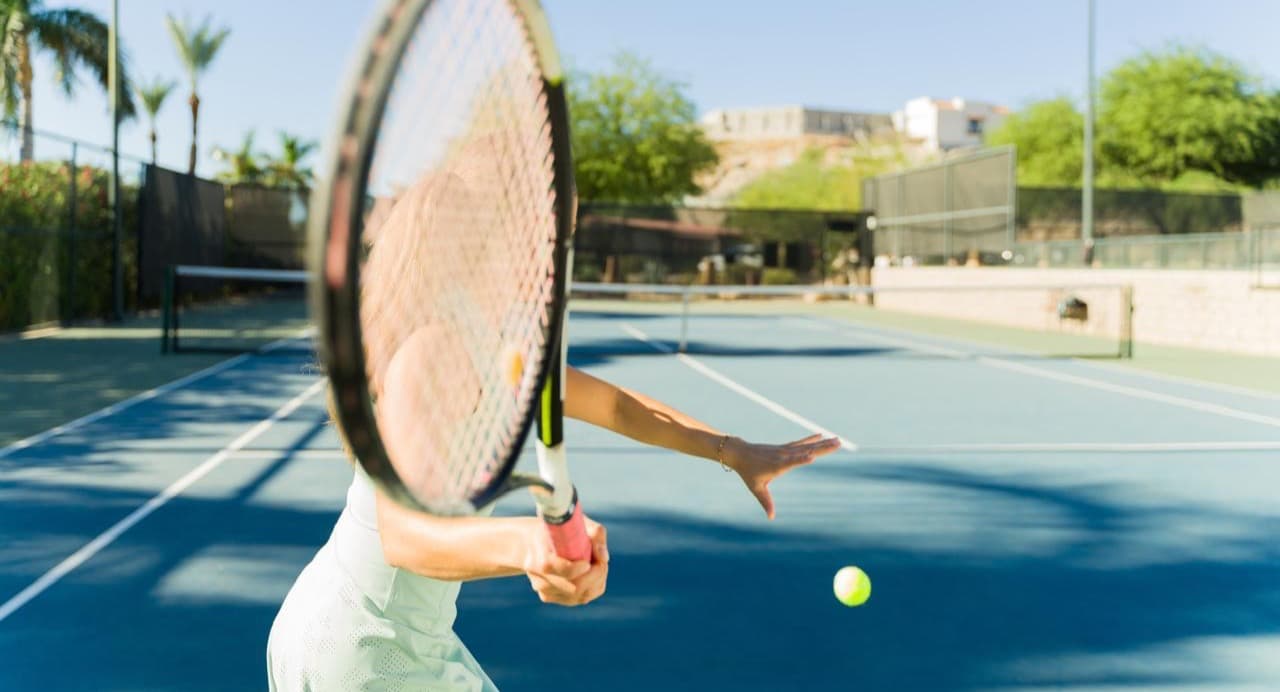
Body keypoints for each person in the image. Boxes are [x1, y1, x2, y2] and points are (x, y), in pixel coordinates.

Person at [267, 155, 840, 690]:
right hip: (366, 646)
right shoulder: (436, 347)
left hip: (394, 636)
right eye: (554, 231)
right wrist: (528, 542)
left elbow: (617, 407)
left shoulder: (491, 343)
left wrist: (731, 450)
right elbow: (405, 537)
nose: (561, 250)